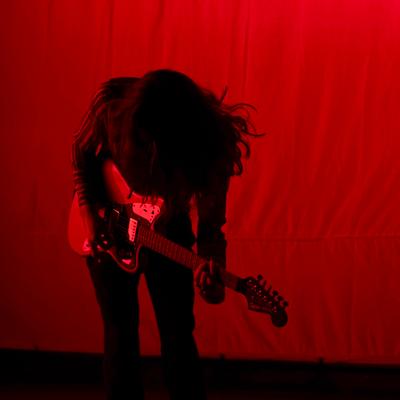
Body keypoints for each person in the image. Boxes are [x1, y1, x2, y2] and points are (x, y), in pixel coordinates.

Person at [71, 69, 258, 400]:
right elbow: (81, 153)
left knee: (178, 332)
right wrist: (89, 213)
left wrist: (212, 273)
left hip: (169, 224)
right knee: (119, 331)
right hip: (106, 221)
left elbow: (211, 226)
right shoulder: (110, 104)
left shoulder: (208, 148)